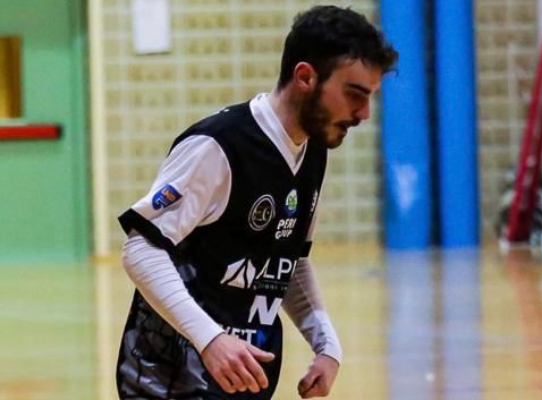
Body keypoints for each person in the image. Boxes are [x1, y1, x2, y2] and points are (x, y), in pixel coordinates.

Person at [116, 5, 397, 400]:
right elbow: (141, 249)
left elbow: (289, 261)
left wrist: (326, 343)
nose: (364, 113)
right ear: (305, 77)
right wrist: (210, 338)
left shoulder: (313, 152)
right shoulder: (218, 146)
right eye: (354, 94)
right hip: (172, 379)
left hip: (241, 379)